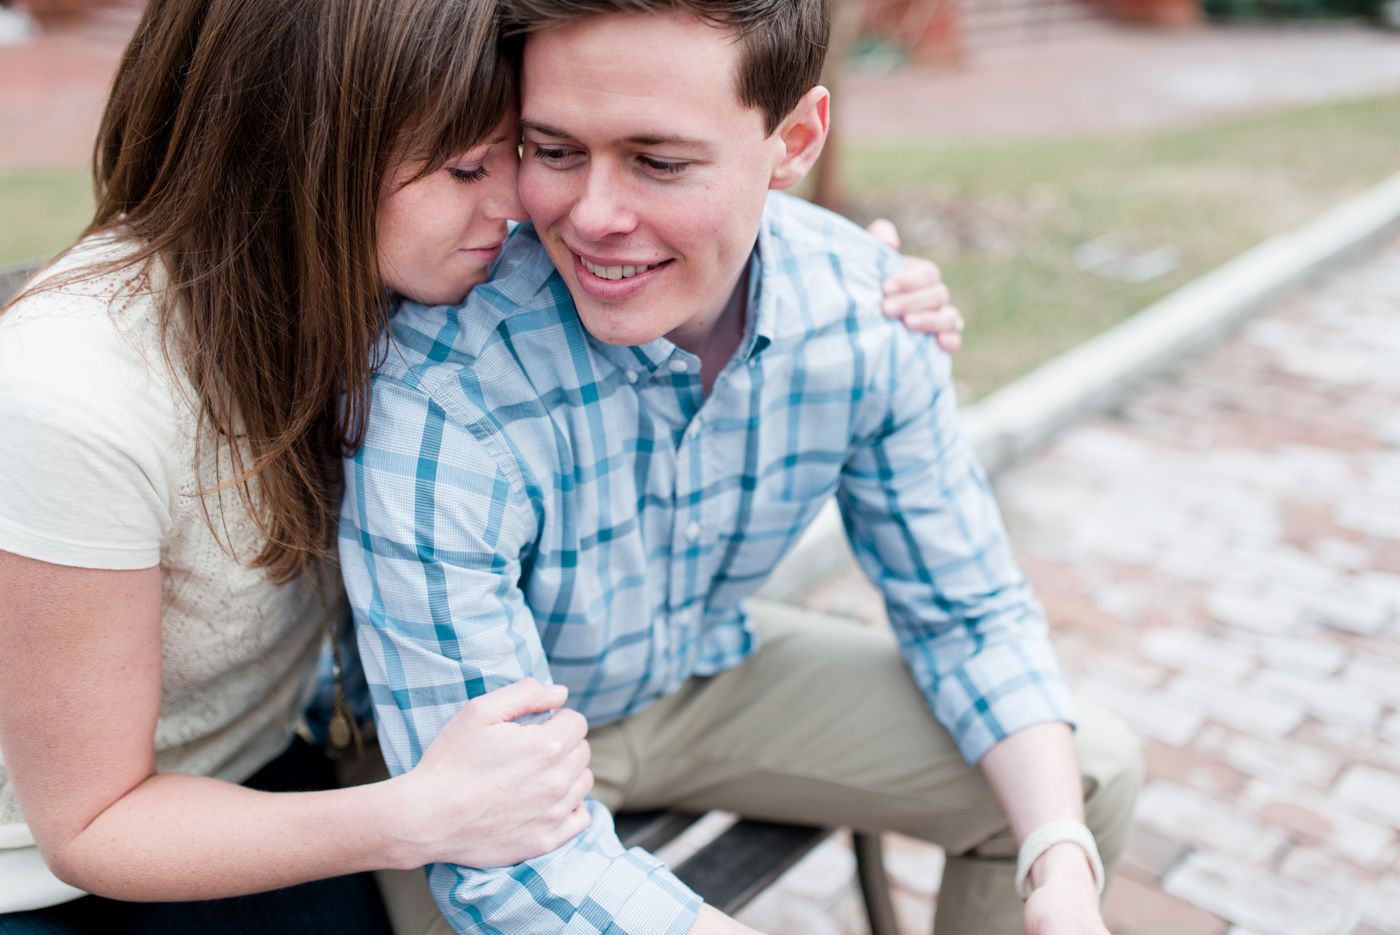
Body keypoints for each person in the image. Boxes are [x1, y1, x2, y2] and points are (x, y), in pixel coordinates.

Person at [0, 0, 960, 930]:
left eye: (517, 151)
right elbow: (90, 824)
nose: (517, 206)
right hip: (54, 864)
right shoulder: (76, 395)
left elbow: (681, 189)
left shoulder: (360, 280)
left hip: (265, 768)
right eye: (466, 167)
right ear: (300, 161)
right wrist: (414, 814)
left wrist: (831, 270)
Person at [340, 1, 1144, 935]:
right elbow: (508, 858)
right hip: (453, 752)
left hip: (692, 678)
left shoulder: (867, 315)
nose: (593, 215)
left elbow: (969, 611)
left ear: (793, 140)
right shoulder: (442, 387)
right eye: (554, 150)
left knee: (1084, 778)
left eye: (660, 161)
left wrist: (1061, 868)